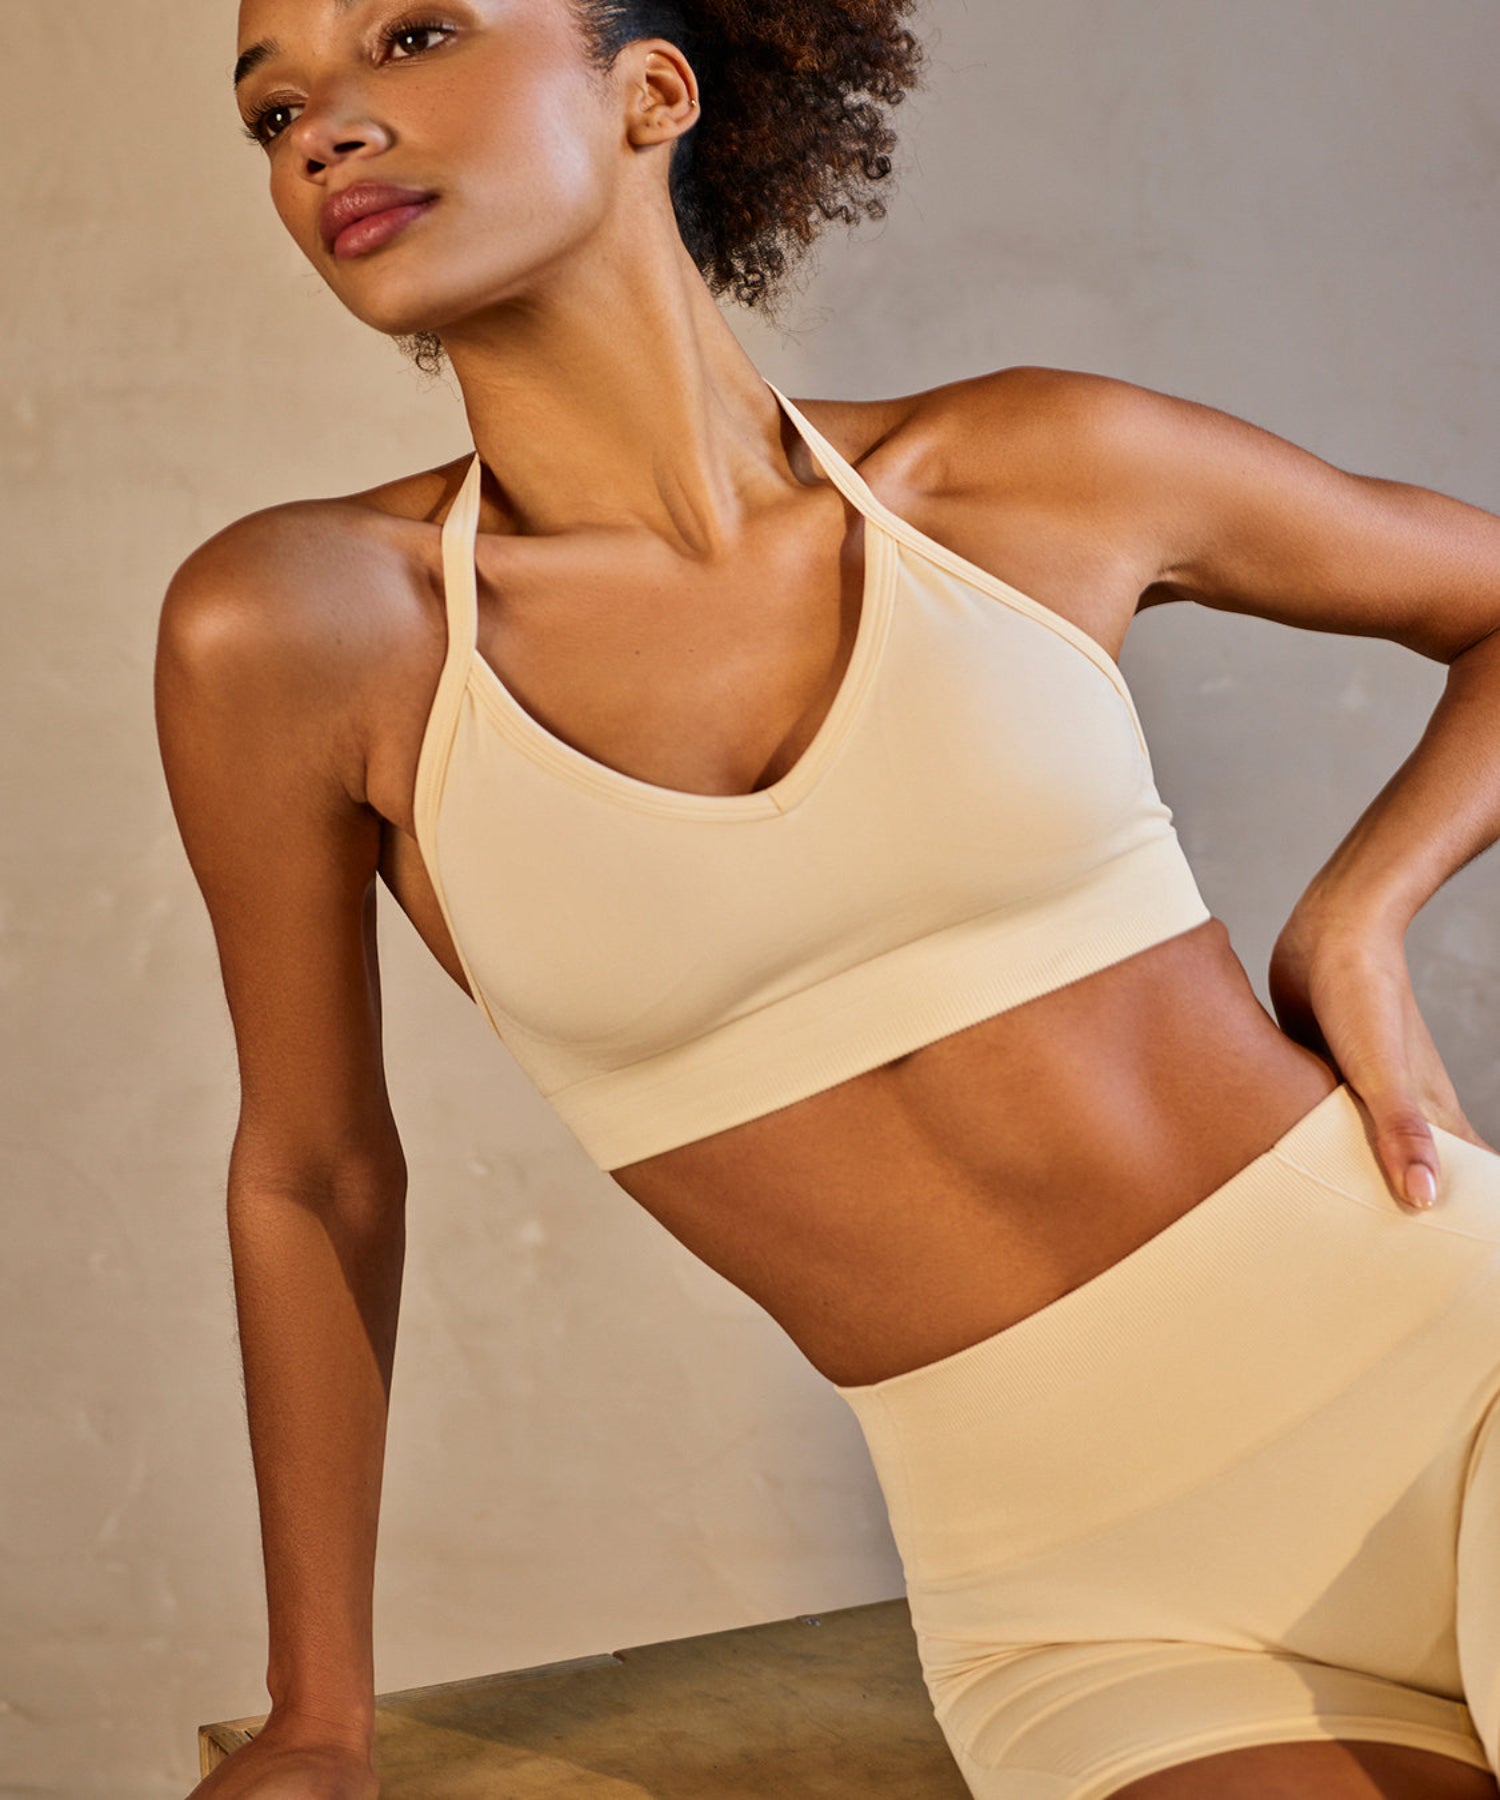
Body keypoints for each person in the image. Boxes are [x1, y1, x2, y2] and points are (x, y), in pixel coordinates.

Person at [155, 2, 1500, 1796]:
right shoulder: (303, 630)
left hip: (1450, 1370)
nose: (324, 128)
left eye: (411, 35)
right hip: (1085, 1605)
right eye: (273, 108)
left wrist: (1359, 915)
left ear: (651, 90)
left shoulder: (1026, 472)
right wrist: (321, 1716)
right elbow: (311, 1172)